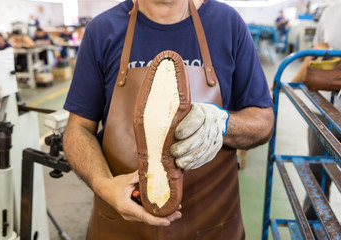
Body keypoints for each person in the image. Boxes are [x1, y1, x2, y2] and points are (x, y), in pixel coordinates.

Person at [63, 0, 274, 239]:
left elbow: (263, 122)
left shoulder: (226, 23)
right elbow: (78, 129)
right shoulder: (102, 30)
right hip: (121, 227)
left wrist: (221, 124)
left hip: (212, 226)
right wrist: (104, 185)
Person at [291, 2, 341, 220]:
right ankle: (312, 228)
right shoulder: (331, 12)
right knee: (317, 173)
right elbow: (314, 53)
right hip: (325, 109)